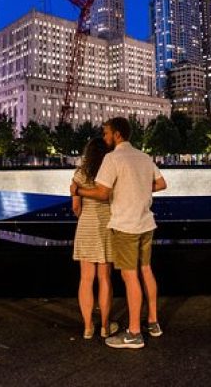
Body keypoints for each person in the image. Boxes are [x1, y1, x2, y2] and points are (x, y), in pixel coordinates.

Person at [71, 117, 167, 349]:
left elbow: (103, 193)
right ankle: (153, 322)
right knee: (146, 270)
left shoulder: (113, 158)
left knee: (129, 276)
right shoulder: (144, 157)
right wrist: (138, 186)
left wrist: (78, 190)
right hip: (146, 223)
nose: (104, 137)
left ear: (116, 134)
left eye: (106, 133)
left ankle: (134, 332)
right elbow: (162, 184)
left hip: (125, 225)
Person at [70, 137, 117, 340]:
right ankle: (105, 326)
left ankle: (88, 327)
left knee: (86, 279)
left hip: (86, 226)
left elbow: (75, 207)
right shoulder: (110, 172)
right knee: (105, 278)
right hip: (107, 225)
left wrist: (83, 214)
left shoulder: (79, 174)